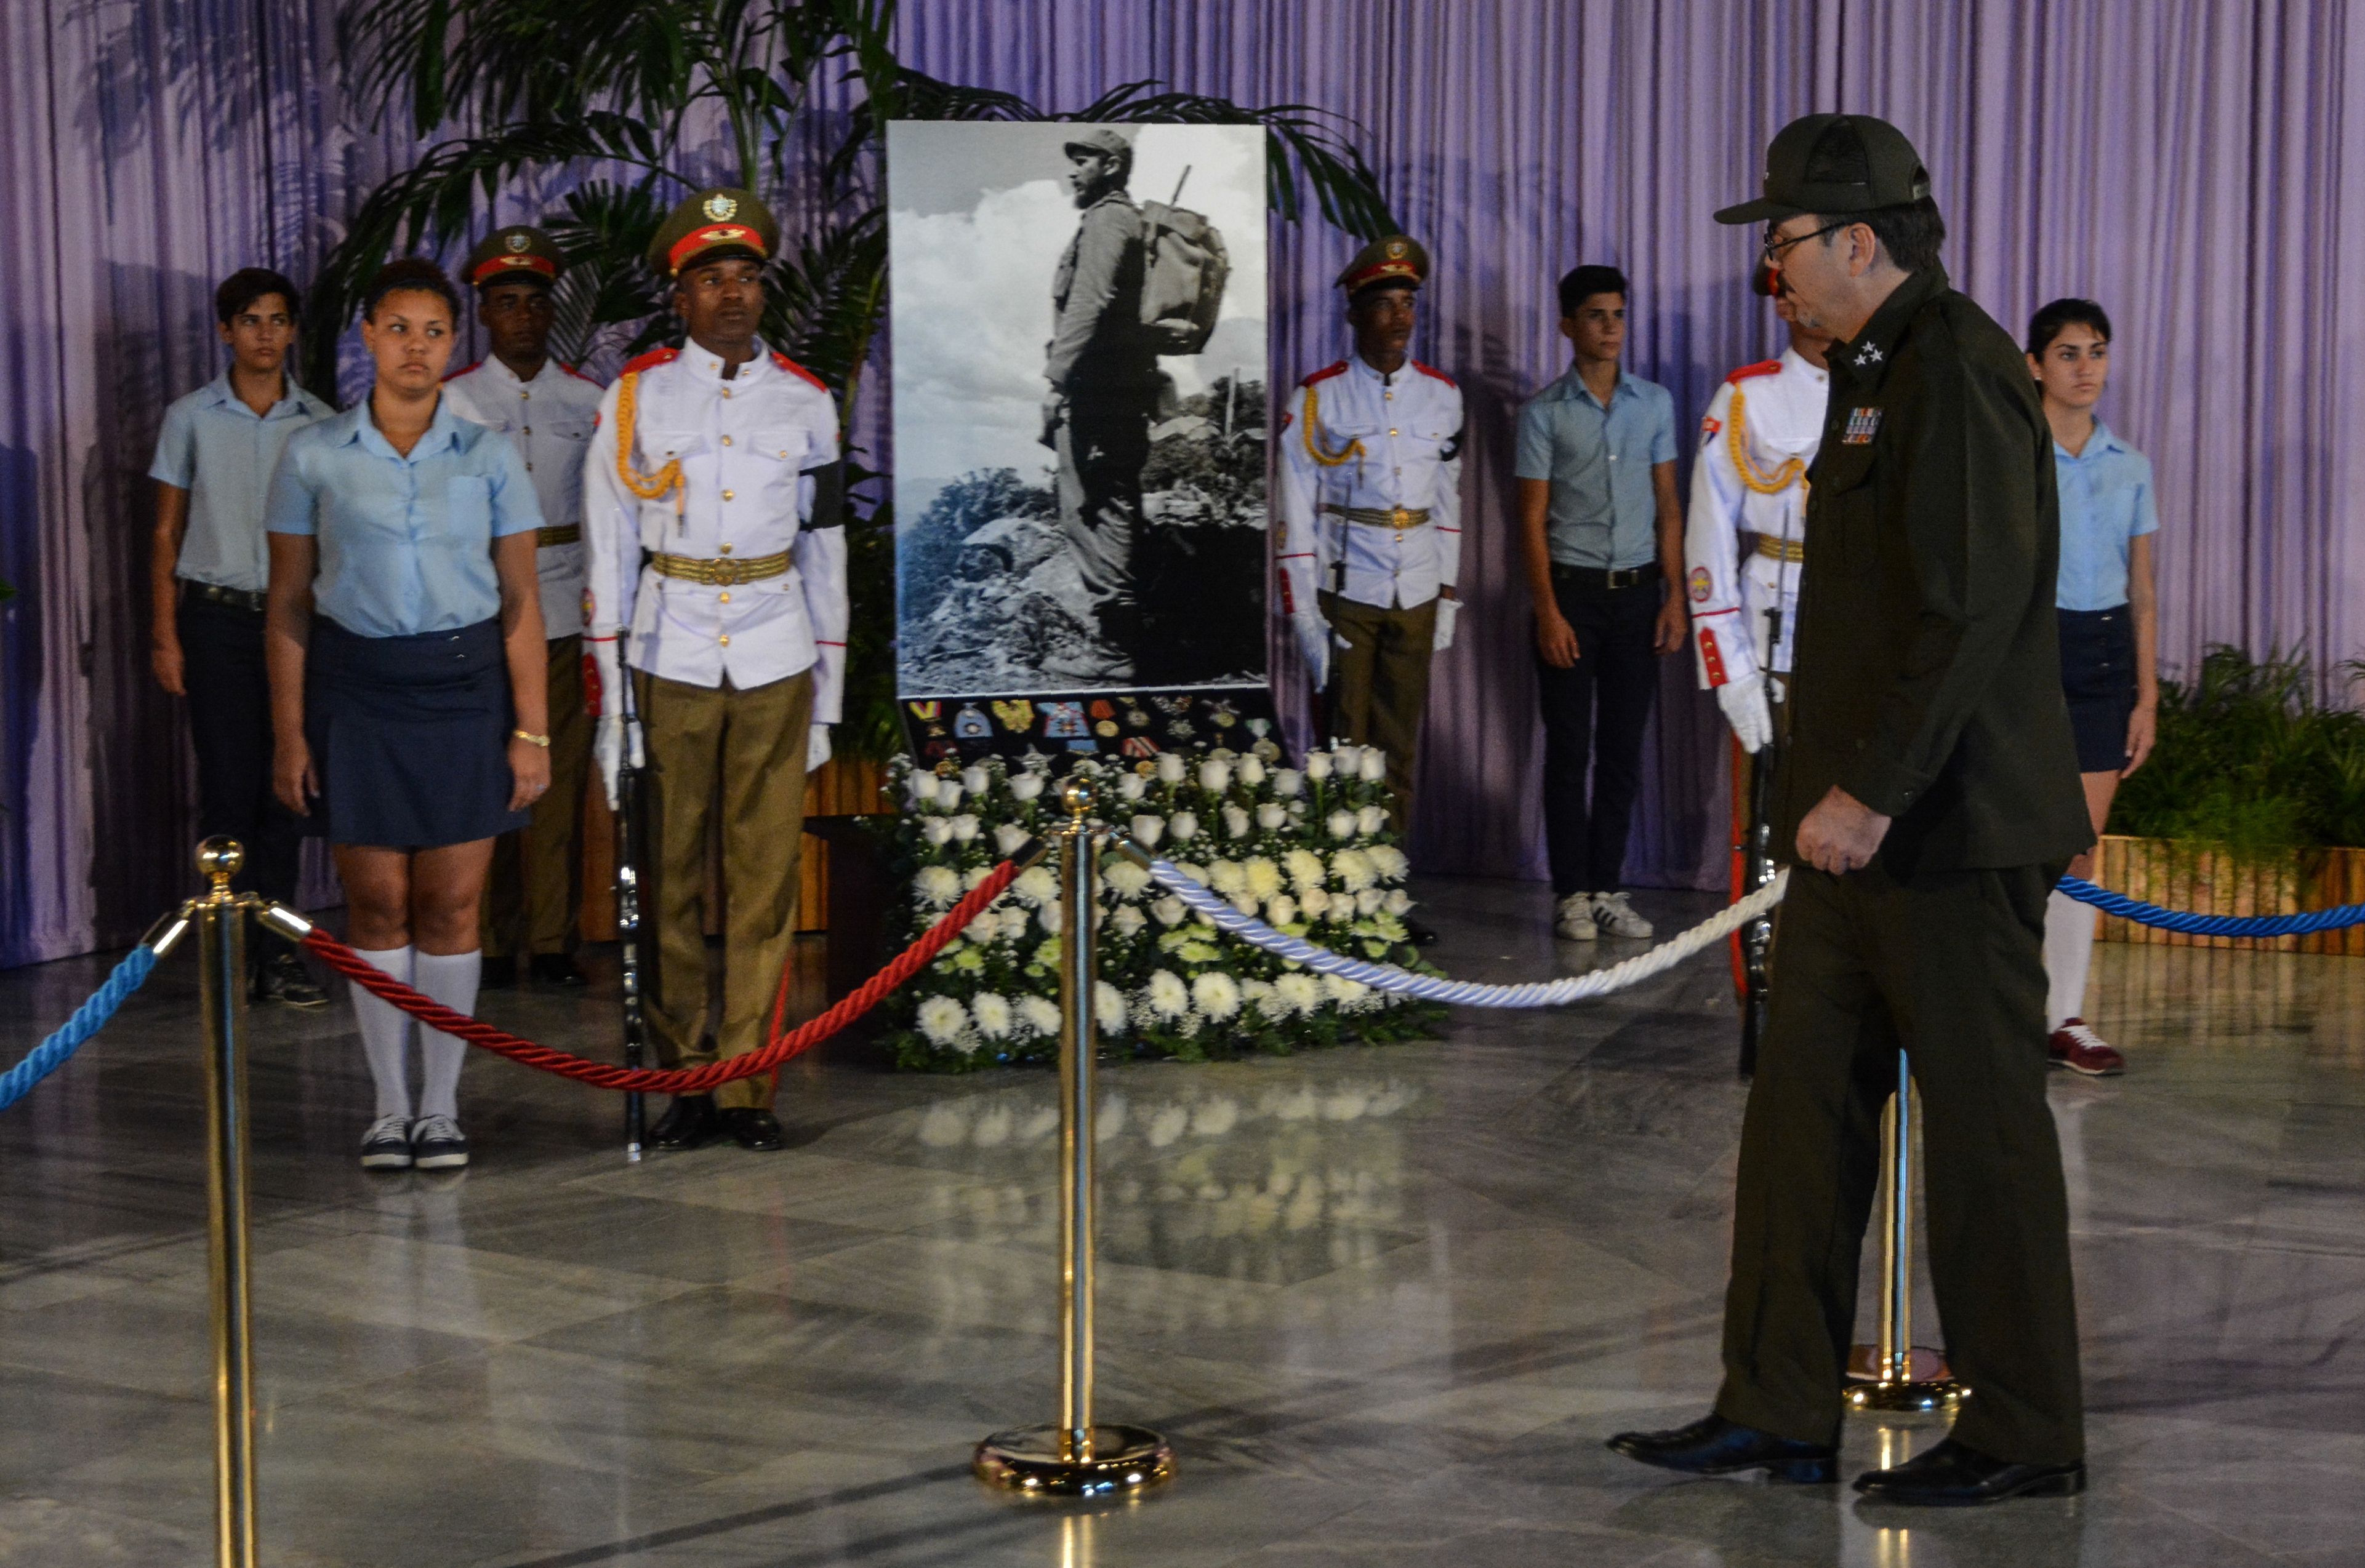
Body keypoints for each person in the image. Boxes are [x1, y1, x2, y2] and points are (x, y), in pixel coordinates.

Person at [1609, 114, 2095, 1505]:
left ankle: (2021, 1433)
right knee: (1798, 1120)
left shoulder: (1951, 365)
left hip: (1935, 833)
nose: (1770, 269)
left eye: (1781, 242)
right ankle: (1769, 1408)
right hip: (1843, 833)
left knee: (1984, 1136)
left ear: (1856, 242)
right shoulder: (1877, 367)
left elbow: (1969, 605)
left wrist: (1869, 794)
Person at [265, 257, 552, 1172]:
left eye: (434, 332)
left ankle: (442, 1106)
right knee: (378, 902)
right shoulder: (312, 455)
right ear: (366, 339)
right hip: (359, 689)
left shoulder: (488, 455)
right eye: (399, 329)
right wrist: (290, 734)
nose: (417, 349)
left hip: (466, 690)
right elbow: (288, 607)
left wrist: (532, 730)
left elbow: (520, 604)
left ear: (452, 342)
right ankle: (388, 1107)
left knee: (453, 903)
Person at [582, 188, 846, 1154]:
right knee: (670, 878)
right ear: (679, 295)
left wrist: (831, 693)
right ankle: (683, 1073)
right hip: (671, 650)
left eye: (745, 277)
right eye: (711, 279)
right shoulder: (635, 399)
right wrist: (613, 702)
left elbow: (827, 551)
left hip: (776, 651)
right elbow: (610, 551)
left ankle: (746, 1083)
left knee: (764, 881)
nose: (732, 295)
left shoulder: (807, 402)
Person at [149, 267, 335, 1008]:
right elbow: (166, 529)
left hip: (294, 623)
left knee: (287, 788)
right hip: (217, 620)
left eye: (278, 319)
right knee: (228, 788)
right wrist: (166, 634)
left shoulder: (319, 421)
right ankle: (227, 955)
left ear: (293, 330)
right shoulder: (191, 416)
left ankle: (280, 952)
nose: (265, 333)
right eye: (250, 320)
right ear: (225, 330)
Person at [441, 225, 606, 991]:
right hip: (485, 611)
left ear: (550, 310)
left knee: (561, 783)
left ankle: (548, 939)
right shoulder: (454, 402)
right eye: (505, 304)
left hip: (566, 607)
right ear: (483, 313)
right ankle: (492, 939)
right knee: (486, 780)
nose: (522, 318)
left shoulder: (591, 399)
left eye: (534, 303)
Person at [1275, 234, 1464, 858]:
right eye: (1383, 306)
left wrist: (1447, 593)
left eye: (1407, 305)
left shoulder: (1441, 395)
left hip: (1414, 584)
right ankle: (1337, 887)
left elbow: (1449, 500)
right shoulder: (1317, 397)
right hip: (1345, 585)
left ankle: (1386, 883)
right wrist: (1303, 611)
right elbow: (1295, 513)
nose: (1398, 320)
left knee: (1398, 743)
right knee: (1343, 743)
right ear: (1353, 314)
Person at [1516, 264, 1686, 942]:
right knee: (1568, 748)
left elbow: (1669, 507)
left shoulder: (1653, 404)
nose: (1610, 328)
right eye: (1594, 316)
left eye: (1617, 314)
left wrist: (1672, 600)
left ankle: (1609, 886)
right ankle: (1570, 892)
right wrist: (1548, 611)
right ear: (1566, 325)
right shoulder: (1543, 413)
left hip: (1637, 596)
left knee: (1620, 748)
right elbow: (1529, 519)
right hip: (1573, 597)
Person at [2028, 298, 2157, 1078]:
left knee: (2078, 846)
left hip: (2104, 656)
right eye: (2068, 353)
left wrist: (2145, 696)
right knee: (2015, 840)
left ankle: (2065, 1016)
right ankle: (2005, 1005)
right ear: (2034, 365)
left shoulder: (2128, 465)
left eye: (2097, 352)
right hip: (2028, 649)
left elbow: (2141, 590)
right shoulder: (2015, 454)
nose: (2086, 369)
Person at [1684, 263, 1831, 754]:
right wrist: (1729, 667)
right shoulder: (1747, 397)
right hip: (1777, 625)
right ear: (1783, 304)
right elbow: (1709, 530)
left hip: (1869, 633)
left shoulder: (1891, 392)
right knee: (1770, 809)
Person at [1041, 126, 1160, 684]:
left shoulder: (1109, 219)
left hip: (1100, 394)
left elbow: (1090, 302)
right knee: (1103, 506)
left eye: (1083, 160)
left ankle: (1115, 649)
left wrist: (1056, 379)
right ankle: (1120, 643)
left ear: (1111, 167)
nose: (1072, 170)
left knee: (1094, 511)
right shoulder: (1115, 219)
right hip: (1113, 390)